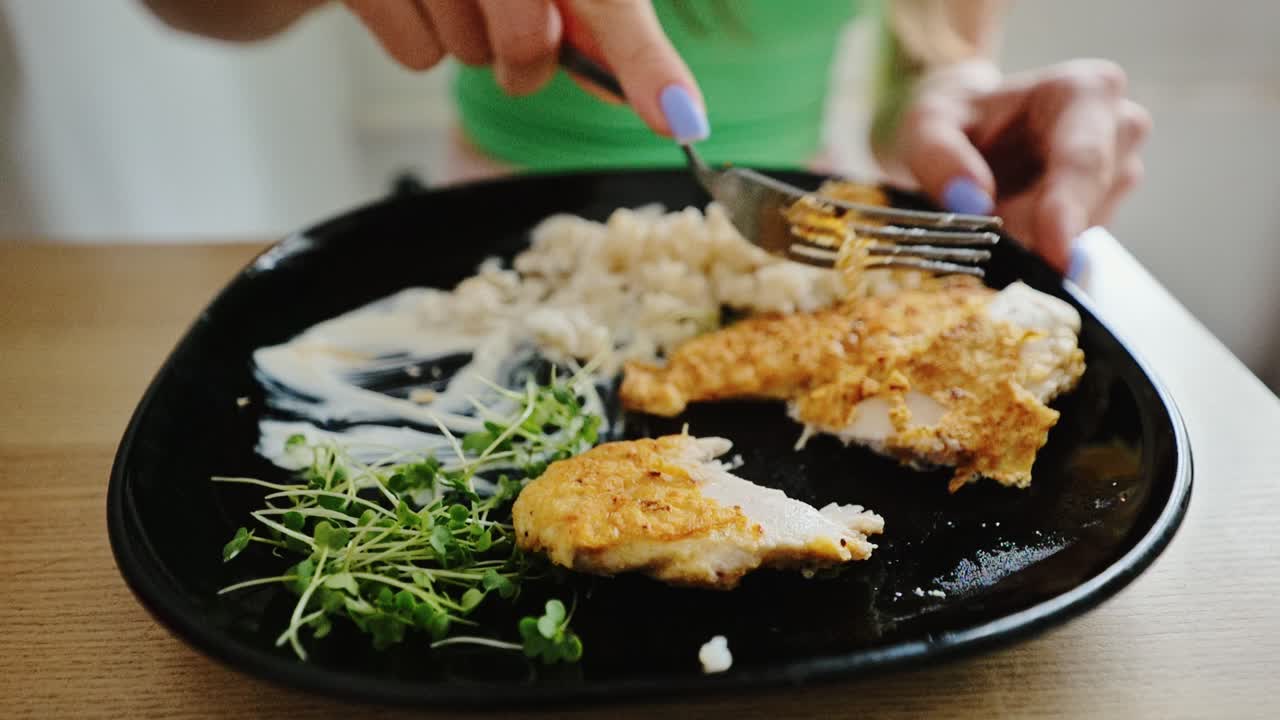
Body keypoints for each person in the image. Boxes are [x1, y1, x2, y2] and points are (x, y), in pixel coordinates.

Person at [142, 0, 1150, 272]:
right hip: (493, 217)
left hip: (792, 228)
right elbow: (193, 9)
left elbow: (931, 55)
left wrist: (965, 106)